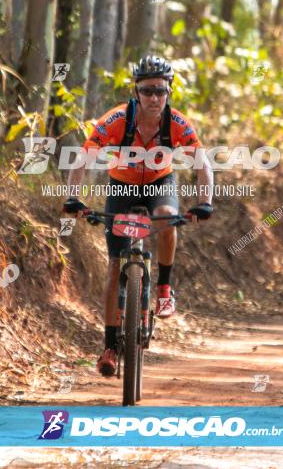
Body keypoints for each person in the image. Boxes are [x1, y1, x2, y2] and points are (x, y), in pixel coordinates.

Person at [62, 55, 213, 377]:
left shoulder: (178, 123)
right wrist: (72, 197)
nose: (154, 98)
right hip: (122, 186)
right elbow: (82, 160)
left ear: (169, 91)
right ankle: (108, 346)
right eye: (147, 91)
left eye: (160, 91)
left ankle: (163, 289)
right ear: (136, 91)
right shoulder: (116, 119)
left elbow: (204, 165)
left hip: (160, 182)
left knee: (167, 216)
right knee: (115, 265)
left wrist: (205, 202)